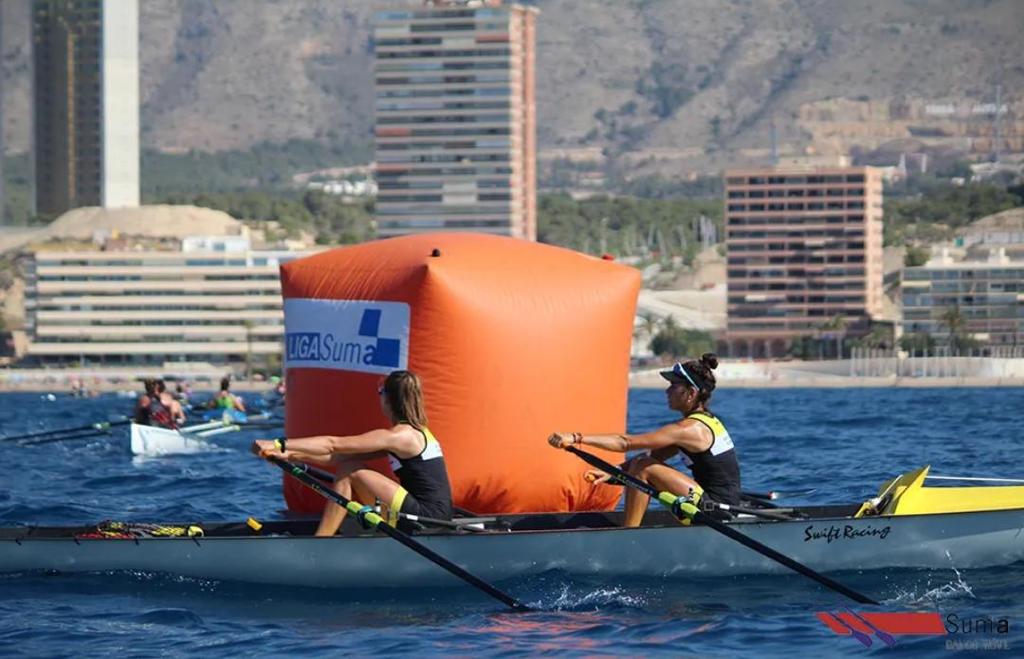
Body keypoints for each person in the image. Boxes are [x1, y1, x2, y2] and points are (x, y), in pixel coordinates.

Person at [548, 353, 740, 527]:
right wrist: (614, 473)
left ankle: (629, 534)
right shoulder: (702, 422)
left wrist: (576, 438)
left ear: (691, 393)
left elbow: (626, 443)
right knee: (644, 462)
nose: (667, 391)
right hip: (716, 502)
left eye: (674, 385)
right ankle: (632, 528)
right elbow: (653, 456)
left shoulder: (689, 429)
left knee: (643, 467)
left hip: (715, 510)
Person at [252, 370, 453, 536]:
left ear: (389, 399)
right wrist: (291, 455)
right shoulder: (412, 434)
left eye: (380, 392)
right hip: (433, 514)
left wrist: (279, 444)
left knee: (350, 472)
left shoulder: (400, 436)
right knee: (349, 465)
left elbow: (333, 444)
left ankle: (321, 541)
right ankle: (367, 532)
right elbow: (338, 456)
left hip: (427, 518)